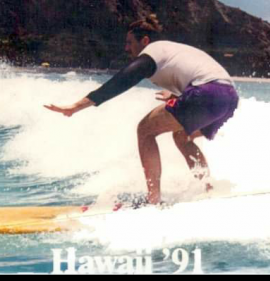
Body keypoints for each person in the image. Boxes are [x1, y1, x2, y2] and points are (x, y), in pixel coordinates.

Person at [45, 15, 239, 205]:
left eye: (130, 42)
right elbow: (205, 78)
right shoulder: (172, 50)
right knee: (182, 137)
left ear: (144, 41)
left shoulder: (153, 52)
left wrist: (75, 107)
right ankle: (207, 190)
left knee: (145, 130)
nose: (127, 48)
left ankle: (153, 199)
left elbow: (120, 82)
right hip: (229, 98)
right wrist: (177, 97)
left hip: (205, 92)